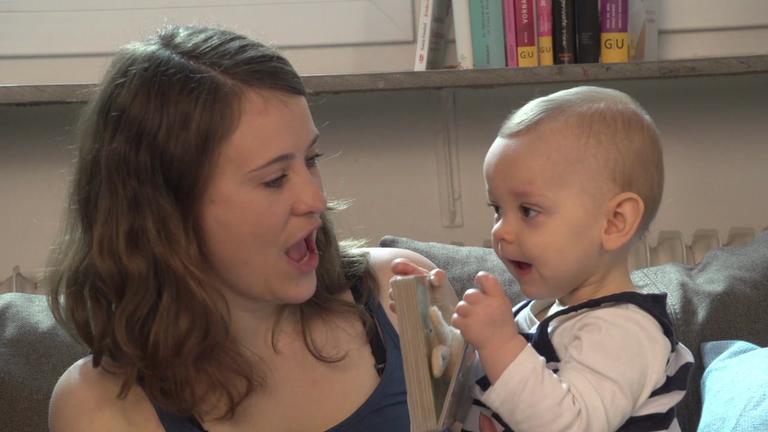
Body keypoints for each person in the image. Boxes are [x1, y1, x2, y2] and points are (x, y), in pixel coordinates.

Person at [46, 25, 441, 432]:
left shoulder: (401, 295)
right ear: (166, 211)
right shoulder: (100, 406)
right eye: (274, 179)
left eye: (311, 159)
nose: (316, 201)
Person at [393, 86, 694, 431]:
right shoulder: (539, 312)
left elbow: (570, 424)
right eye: (497, 209)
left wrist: (499, 342)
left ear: (614, 222)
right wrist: (432, 319)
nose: (502, 231)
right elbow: (488, 385)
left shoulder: (625, 332)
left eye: (528, 210)